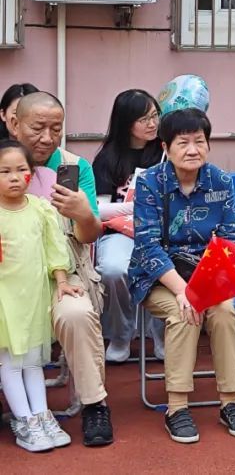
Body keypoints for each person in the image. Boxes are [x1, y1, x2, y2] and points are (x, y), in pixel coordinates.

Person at [128, 108, 235, 444]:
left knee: (226, 312)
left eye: (200, 141)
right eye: (183, 142)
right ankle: (177, 407)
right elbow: (147, 246)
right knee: (184, 314)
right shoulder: (150, 183)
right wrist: (185, 291)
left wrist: (204, 288)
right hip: (158, 275)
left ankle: (230, 401)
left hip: (208, 274)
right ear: (166, 147)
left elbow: (229, 241)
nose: (193, 149)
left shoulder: (220, 181)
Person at [12, 91, 113, 447]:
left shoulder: (75, 167)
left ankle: (94, 404)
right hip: (8, 276)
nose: (47, 137)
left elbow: (87, 236)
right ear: (13, 123)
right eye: (38, 127)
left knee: (77, 314)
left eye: (56, 128)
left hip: (62, 274)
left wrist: (82, 213)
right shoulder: (2, 163)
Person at [0, 140, 77, 452]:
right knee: (9, 360)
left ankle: (42, 415)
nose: (15, 177)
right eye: (5, 171)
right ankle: (24, 419)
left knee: (33, 359)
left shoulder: (42, 210)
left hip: (33, 296)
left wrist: (61, 280)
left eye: (22, 170)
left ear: (32, 174)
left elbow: (55, 248)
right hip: (4, 301)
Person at [92, 89, 165, 364]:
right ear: (126, 122)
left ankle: (161, 333)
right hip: (119, 231)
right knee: (112, 269)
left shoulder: (165, 151)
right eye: (144, 118)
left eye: (155, 115)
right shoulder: (108, 158)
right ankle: (121, 333)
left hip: (160, 232)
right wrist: (133, 208)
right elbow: (98, 209)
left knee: (167, 265)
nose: (152, 124)